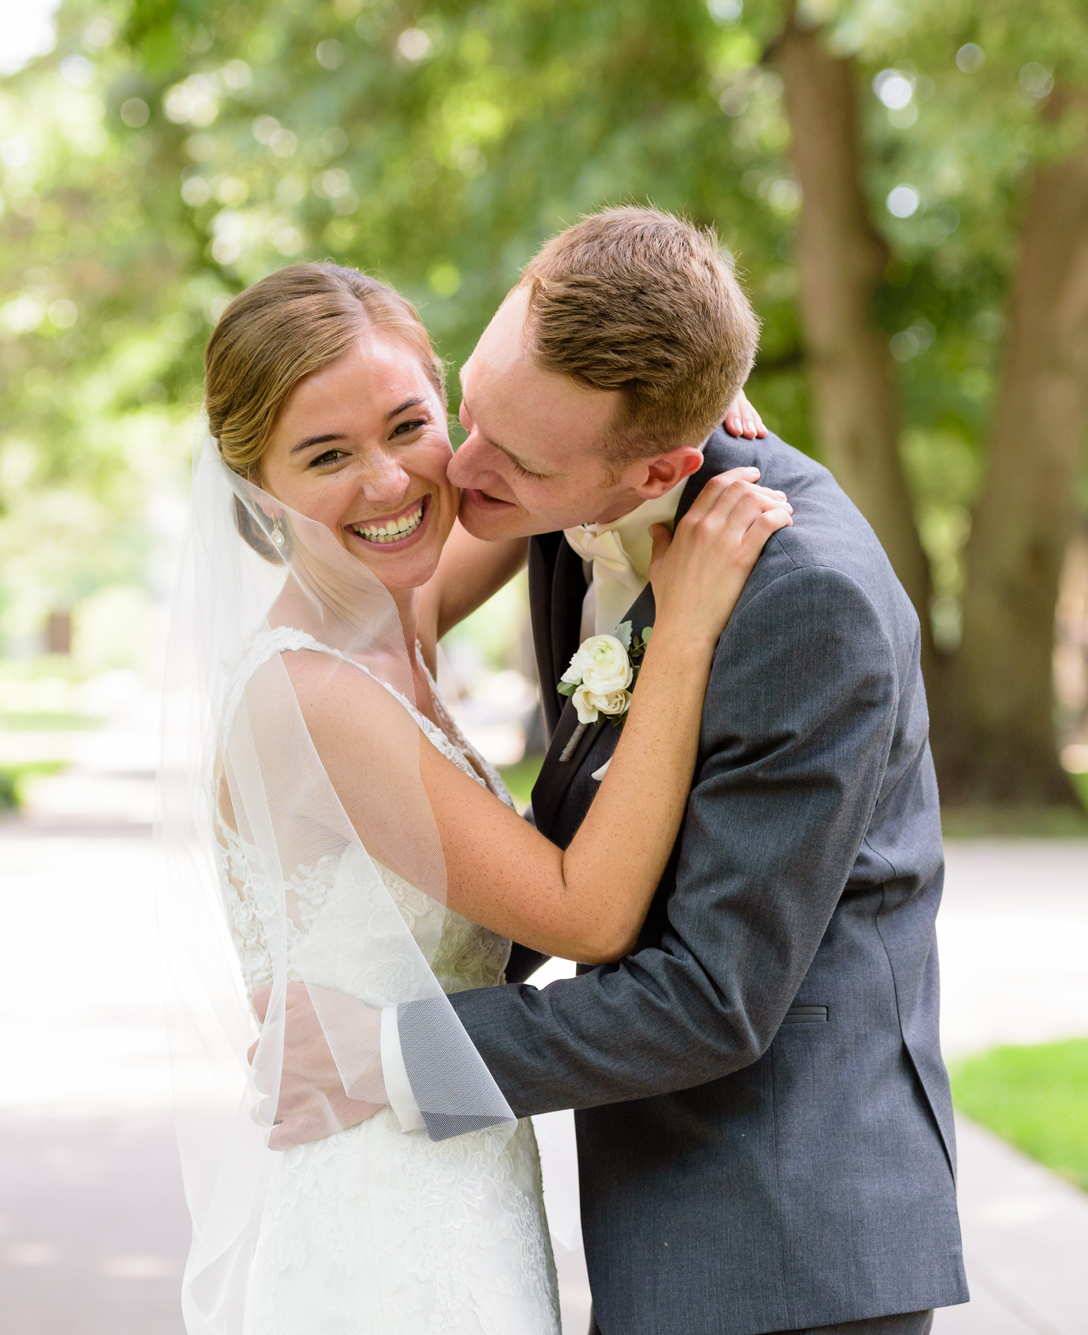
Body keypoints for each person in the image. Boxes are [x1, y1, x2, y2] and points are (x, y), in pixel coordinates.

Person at [261, 207, 968, 1335]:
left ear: (661, 466)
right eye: (470, 409)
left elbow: (708, 996)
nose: (463, 471)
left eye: (518, 457)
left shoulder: (804, 603)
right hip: (636, 1219)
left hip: (775, 1243)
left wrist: (384, 1054)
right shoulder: (551, 462)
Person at [159, 257, 791, 1335]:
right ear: (253, 481)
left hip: (450, 1160)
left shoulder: (379, 606)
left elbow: (539, 487)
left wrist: (666, 402)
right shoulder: (306, 694)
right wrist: (680, 635)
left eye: (408, 425)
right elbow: (583, 914)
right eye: (325, 456)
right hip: (380, 1212)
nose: (390, 483)